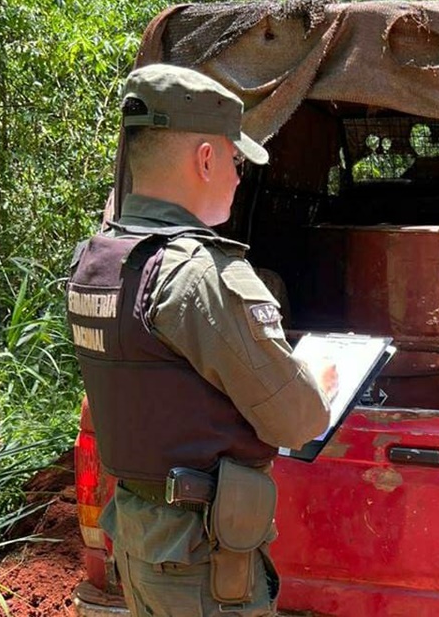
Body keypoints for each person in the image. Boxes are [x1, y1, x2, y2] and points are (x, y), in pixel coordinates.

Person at [67, 63, 335, 617]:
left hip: (143, 543)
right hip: (201, 565)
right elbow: (297, 420)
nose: (240, 178)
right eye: (236, 161)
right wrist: (319, 384)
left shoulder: (97, 261)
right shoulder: (196, 277)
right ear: (206, 159)